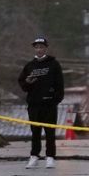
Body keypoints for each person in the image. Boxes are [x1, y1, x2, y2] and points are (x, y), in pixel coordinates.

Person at [18, 35, 65, 167]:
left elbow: (60, 85)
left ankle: (50, 156)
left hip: (49, 104)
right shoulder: (29, 66)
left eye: (41, 47)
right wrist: (27, 83)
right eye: (37, 47)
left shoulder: (54, 64)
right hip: (34, 104)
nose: (39, 50)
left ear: (46, 48)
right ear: (34, 49)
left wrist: (55, 100)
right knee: (35, 131)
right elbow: (22, 83)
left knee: (50, 132)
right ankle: (34, 155)